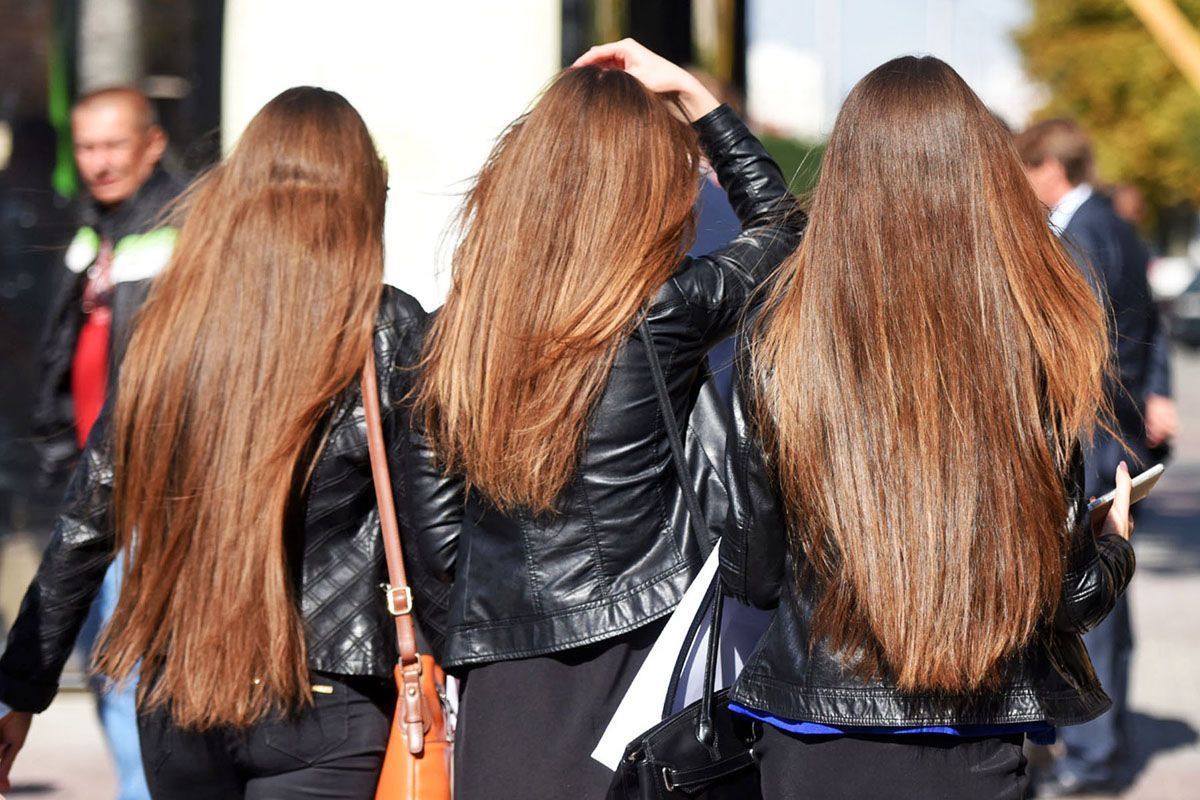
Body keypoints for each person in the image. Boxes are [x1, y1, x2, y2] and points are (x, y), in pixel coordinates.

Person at [0, 87, 438, 799]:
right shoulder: (385, 327)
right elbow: (435, 534)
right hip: (331, 696)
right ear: (364, 193)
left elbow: (88, 522)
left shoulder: (173, 325)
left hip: (182, 691)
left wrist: (21, 690)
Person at [719, 56, 1135, 800]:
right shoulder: (1033, 340)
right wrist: (1114, 548)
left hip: (814, 736)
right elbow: (1070, 598)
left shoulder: (782, 337)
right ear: (983, 180)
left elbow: (754, 572)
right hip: (975, 736)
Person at [403, 40, 803, 799]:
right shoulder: (661, 310)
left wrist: (483, 627)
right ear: (650, 188)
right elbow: (785, 234)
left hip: (502, 679)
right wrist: (697, 101)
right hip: (640, 653)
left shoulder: (454, 331)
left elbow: (437, 538)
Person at [1017, 118, 1176, 796]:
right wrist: (1159, 394)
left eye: (1027, 170)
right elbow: (1152, 324)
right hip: (1121, 432)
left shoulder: (1078, 235)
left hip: (1093, 437)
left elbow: (1075, 349)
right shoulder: (1117, 224)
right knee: (1109, 583)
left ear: (1051, 168)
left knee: (1087, 597)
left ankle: (1092, 754)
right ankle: (1103, 742)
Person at [32, 86, 183, 800]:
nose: (99, 161)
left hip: (147, 485)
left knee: (128, 663)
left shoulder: (182, 228)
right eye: (87, 146)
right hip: (85, 481)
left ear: (152, 144)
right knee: (99, 658)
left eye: (113, 144)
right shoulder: (91, 229)